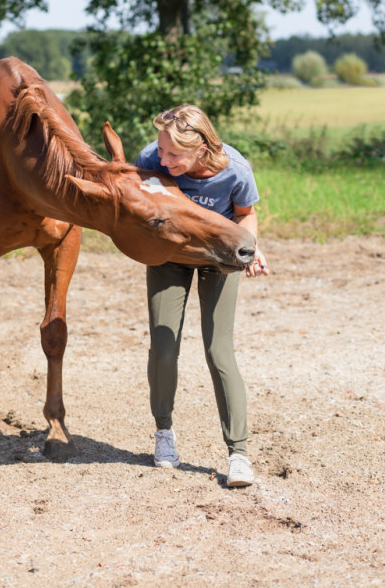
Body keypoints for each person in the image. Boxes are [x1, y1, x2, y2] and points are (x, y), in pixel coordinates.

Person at [136, 105, 269, 488]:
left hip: (219, 260)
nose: (163, 158)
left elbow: (246, 215)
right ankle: (164, 433)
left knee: (218, 350)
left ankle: (238, 453)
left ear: (201, 149)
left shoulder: (234, 171)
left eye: (173, 155)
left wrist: (252, 247)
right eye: (162, 150)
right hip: (169, 258)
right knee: (163, 346)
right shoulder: (151, 159)